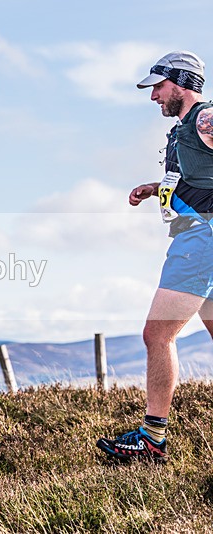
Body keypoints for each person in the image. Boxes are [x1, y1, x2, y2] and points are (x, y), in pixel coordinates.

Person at [97, 51, 213, 461]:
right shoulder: (187, 127)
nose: (153, 98)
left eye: (158, 87)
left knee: (157, 334)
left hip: (202, 239)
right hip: (198, 234)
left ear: (180, 83)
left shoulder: (205, 118)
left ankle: (152, 438)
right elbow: (199, 177)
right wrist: (154, 188)